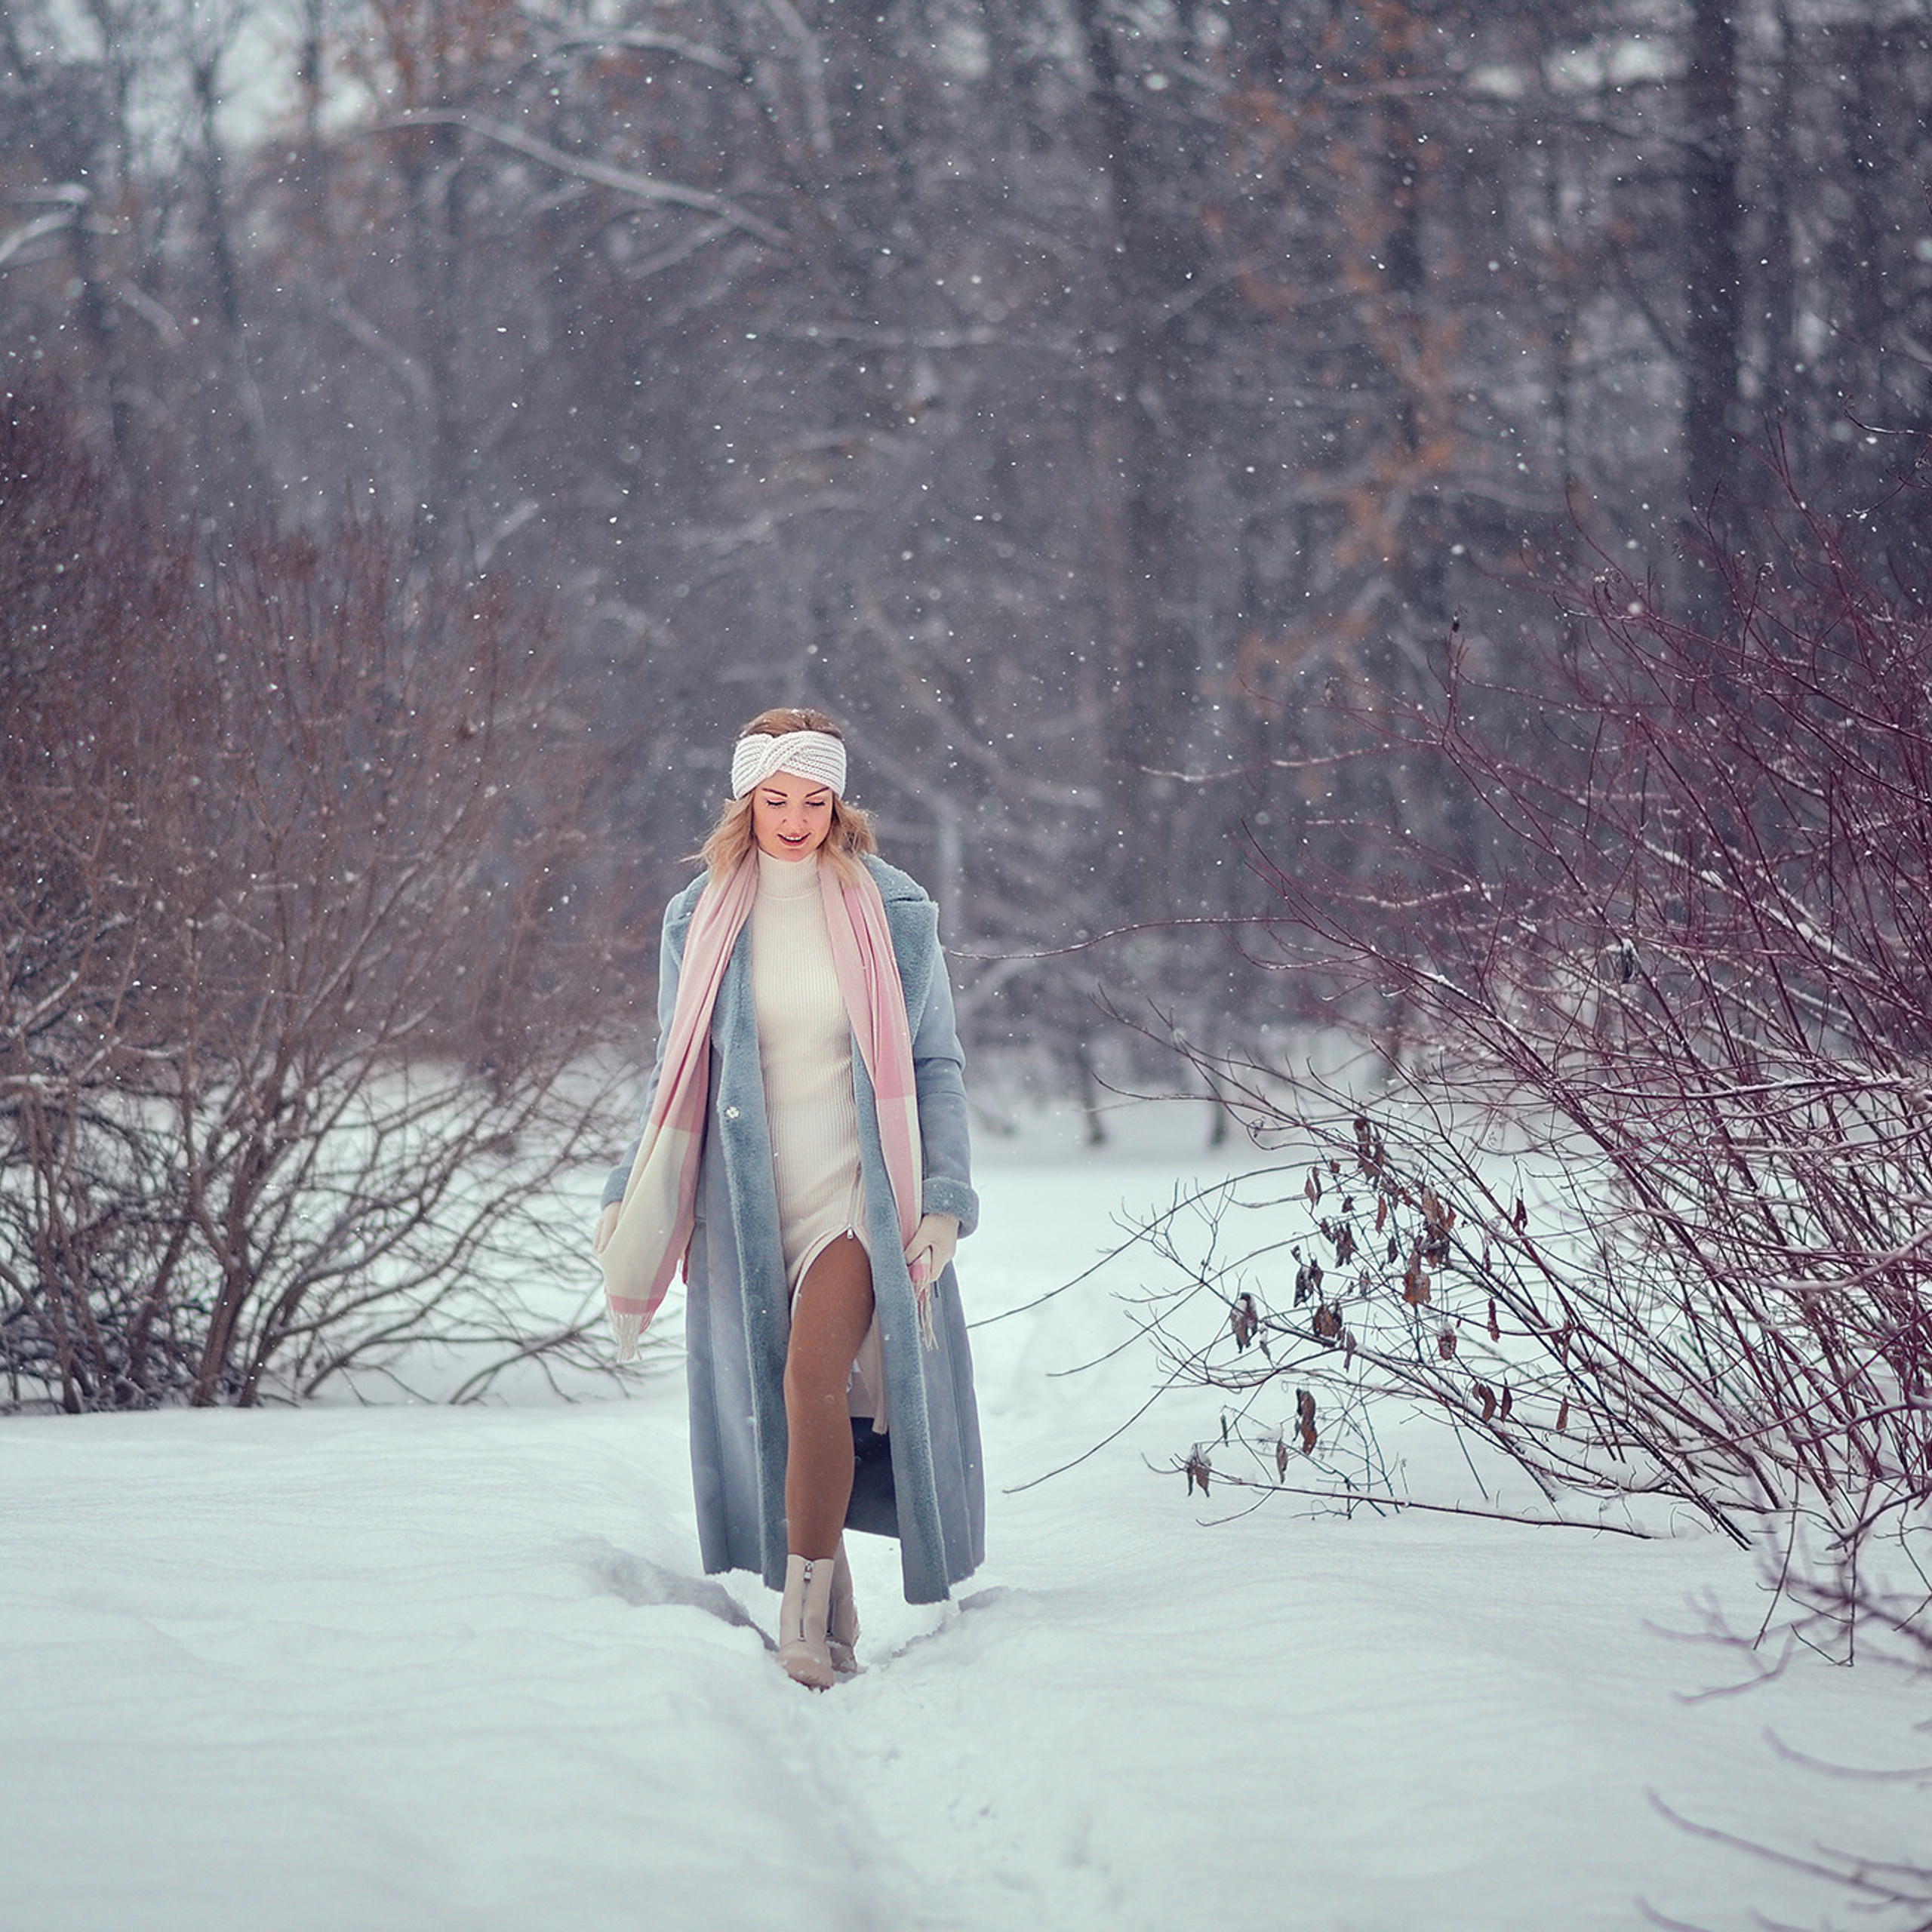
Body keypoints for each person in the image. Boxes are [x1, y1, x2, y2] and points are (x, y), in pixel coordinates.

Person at [593, 707, 983, 1688]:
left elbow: (934, 1062)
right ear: (745, 801)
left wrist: (941, 1196)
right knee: (776, 1405)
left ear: (841, 802)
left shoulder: (896, 913)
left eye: (817, 799)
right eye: (778, 800)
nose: (798, 819)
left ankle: (802, 1623)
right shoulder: (701, 916)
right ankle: (833, 1594)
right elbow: (674, 1067)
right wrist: (628, 1189)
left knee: (814, 1380)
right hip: (748, 1202)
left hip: (862, 1192)